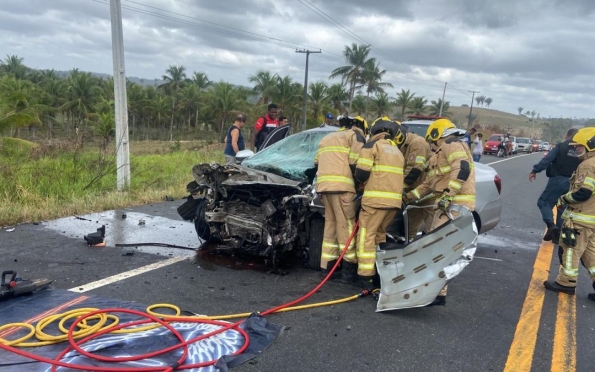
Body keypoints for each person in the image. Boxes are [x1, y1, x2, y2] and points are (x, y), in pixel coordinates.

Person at [404, 118, 476, 306]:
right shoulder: (440, 153)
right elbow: (429, 183)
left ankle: (436, 292)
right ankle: (437, 291)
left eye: (431, 140)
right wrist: (409, 197)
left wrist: (448, 196)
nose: (431, 144)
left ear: (436, 135)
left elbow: (462, 169)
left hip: (454, 205)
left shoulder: (452, 144)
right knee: (437, 247)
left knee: (441, 249)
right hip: (445, 204)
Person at [314, 115, 368, 282]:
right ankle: (348, 272)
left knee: (330, 226)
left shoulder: (328, 137)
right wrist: (361, 185)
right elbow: (355, 164)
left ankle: (327, 267)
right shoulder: (355, 136)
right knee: (346, 227)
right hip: (343, 189)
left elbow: (316, 163)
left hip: (324, 189)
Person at [544, 127, 595, 301]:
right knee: (591, 254)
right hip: (592, 221)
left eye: (580, 147)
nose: (577, 150)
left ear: (590, 145)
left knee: (570, 250)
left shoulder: (588, 165)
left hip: (579, 219)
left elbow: (584, 193)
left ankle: (566, 282)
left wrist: (564, 198)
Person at [354, 118, 404, 288]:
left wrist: (359, 185)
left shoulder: (371, 145)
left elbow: (361, 173)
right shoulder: (396, 150)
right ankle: (380, 274)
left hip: (375, 202)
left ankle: (366, 277)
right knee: (379, 235)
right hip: (393, 203)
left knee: (365, 237)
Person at [529, 128, 580, 246]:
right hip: (573, 183)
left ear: (567, 135)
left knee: (544, 202)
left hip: (558, 180)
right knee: (563, 207)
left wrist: (535, 170)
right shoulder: (581, 149)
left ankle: (551, 226)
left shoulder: (561, 146)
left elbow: (547, 160)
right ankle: (557, 236)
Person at [393, 121, 432, 240]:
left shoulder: (417, 144)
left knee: (432, 230)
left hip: (427, 194)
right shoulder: (401, 145)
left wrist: (400, 188)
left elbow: (415, 169)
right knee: (408, 231)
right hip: (413, 195)